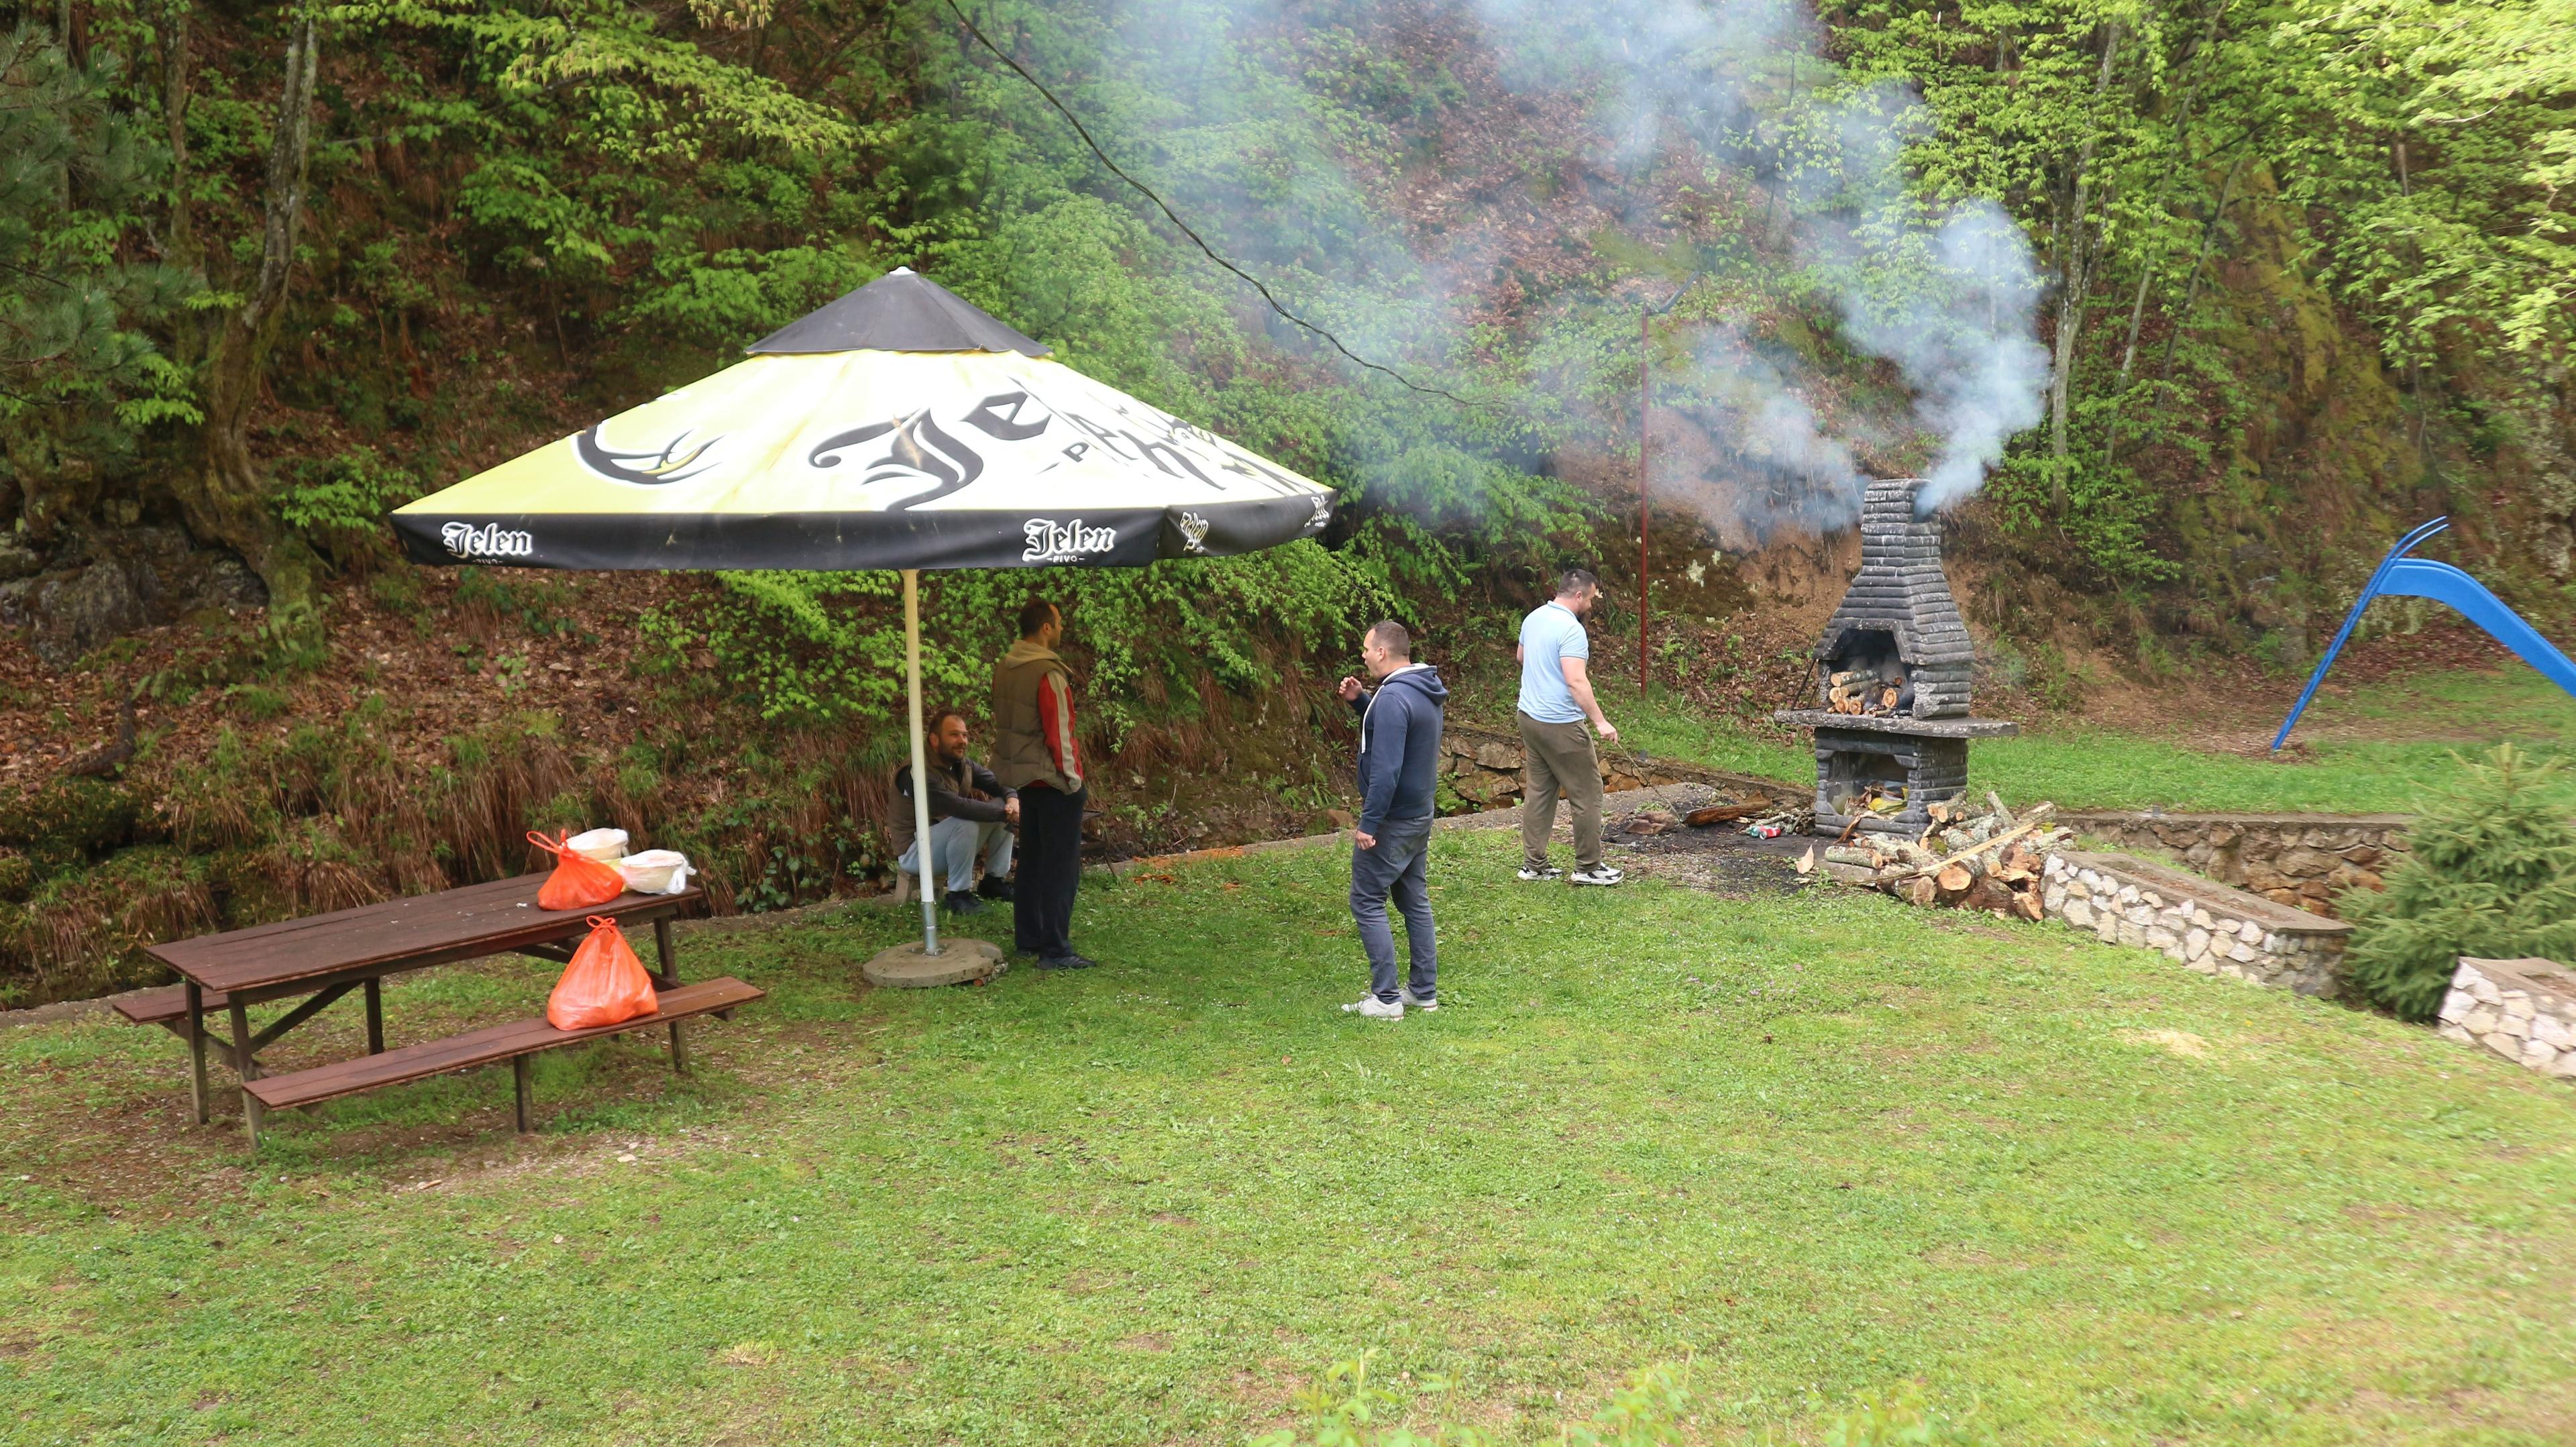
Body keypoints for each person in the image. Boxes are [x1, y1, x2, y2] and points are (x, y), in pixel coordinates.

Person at [1334, 621, 1448, 1020]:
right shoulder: (1421, 689)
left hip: (1392, 820)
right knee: (1413, 899)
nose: (1363, 654)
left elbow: (1386, 771)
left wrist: (1369, 823)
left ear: (1382, 652)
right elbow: (1398, 730)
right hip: (1419, 815)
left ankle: (1385, 1000)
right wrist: (1361, 701)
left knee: (1366, 901)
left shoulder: (1394, 698)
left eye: (1367, 648)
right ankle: (1423, 991)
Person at [991, 598, 1094, 968]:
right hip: (1051, 780)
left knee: (1032, 860)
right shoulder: (1048, 673)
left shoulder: (1005, 668)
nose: (1063, 628)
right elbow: (1060, 734)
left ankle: (1029, 937)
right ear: (1046, 628)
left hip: (1022, 779)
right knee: (1061, 866)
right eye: (1059, 622)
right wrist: (1072, 780)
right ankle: (1055, 949)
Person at [1515, 567, 1622, 887]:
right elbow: (1576, 681)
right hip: (1559, 723)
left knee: (1540, 792)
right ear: (1578, 595)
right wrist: (1601, 722)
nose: (1591, 605)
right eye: (1590, 599)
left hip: (1529, 718)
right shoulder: (1572, 629)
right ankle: (1588, 867)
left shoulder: (1534, 617)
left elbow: (1521, 657)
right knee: (1588, 792)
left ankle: (1533, 865)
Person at [890, 708, 1019, 916]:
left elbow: (1000, 783)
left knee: (1000, 804)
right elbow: (957, 806)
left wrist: (1012, 800)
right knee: (967, 820)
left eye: (965, 735)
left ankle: (994, 882)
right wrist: (1005, 813)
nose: (962, 741)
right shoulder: (917, 772)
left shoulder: (961, 764)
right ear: (934, 739)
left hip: (948, 841)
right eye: (954, 735)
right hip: (916, 852)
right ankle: (958, 896)